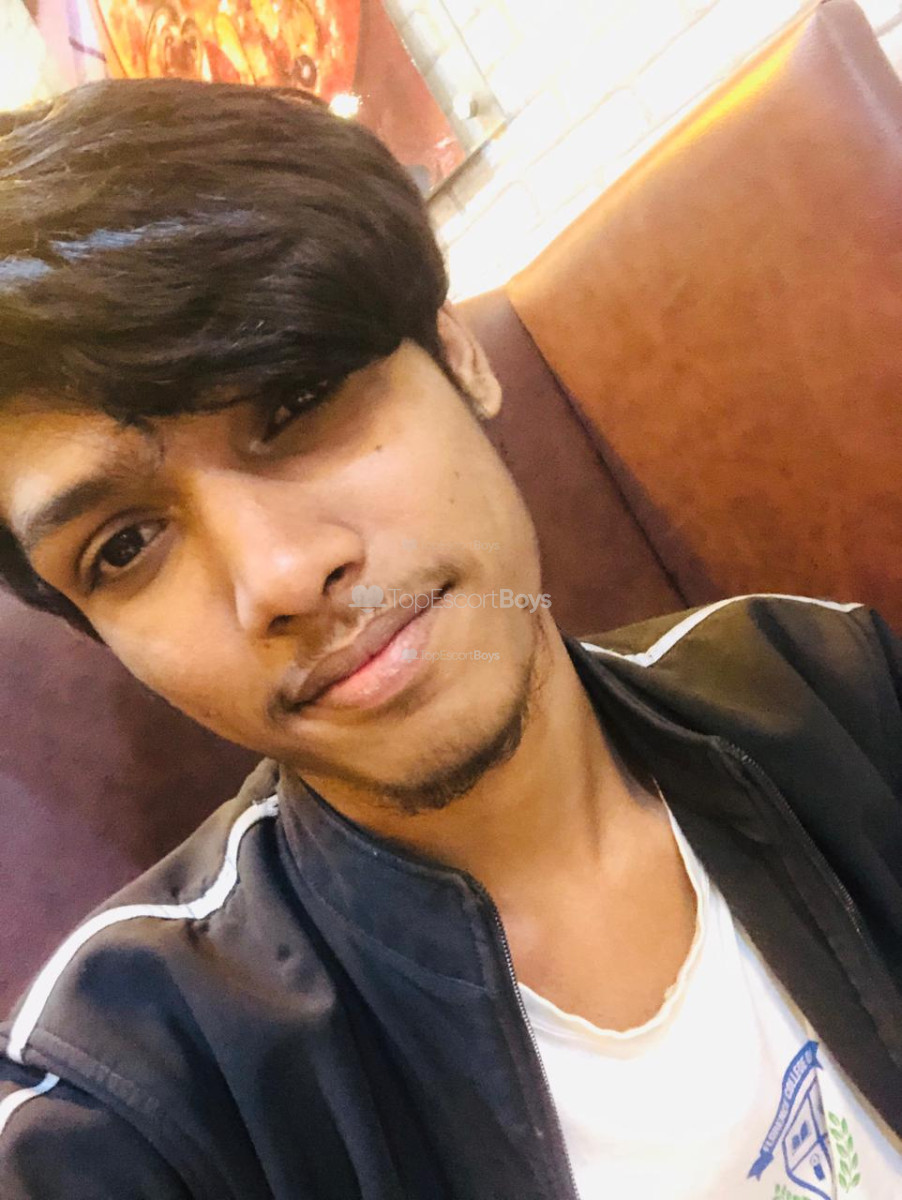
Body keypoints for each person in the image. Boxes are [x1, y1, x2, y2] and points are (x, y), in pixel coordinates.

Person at [0, 77, 900, 1200]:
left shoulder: (817, 687)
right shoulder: (134, 1107)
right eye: (126, 546)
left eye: (295, 402)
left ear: (455, 351)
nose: (280, 577)